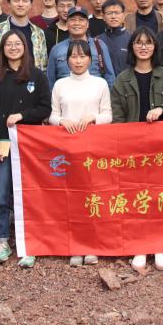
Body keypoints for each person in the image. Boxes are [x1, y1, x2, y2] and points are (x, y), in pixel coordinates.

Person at [110, 28, 163, 271]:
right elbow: (117, 118)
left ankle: (160, 245)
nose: (143, 47)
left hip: (161, 149)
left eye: (148, 43)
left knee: (159, 197)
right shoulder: (122, 79)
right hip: (132, 150)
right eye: (139, 42)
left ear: (155, 47)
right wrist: (125, 144)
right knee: (135, 198)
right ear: (132, 47)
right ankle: (139, 245)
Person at [0, 29, 51, 268]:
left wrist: (22, 115)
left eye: (17, 44)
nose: (13, 48)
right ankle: (2, 241)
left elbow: (45, 108)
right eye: (8, 44)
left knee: (30, 194)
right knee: (1, 194)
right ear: (2, 49)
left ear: (25, 47)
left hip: (30, 146)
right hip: (3, 145)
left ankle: (30, 243)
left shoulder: (37, 75)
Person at [49, 40, 112, 267]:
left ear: (90, 59)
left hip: (94, 150)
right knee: (72, 198)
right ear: (67, 60)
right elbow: (52, 115)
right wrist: (61, 121)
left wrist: (93, 118)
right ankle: (75, 245)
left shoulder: (100, 84)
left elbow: (108, 115)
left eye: (82, 56)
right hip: (67, 149)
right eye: (73, 57)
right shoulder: (60, 85)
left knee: (93, 197)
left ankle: (93, 244)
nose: (78, 61)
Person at [46, 7, 116, 88]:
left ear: (87, 24)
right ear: (67, 24)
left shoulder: (99, 46)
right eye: (72, 19)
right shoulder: (57, 49)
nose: (77, 23)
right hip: (66, 94)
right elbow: (50, 80)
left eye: (81, 19)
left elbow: (110, 76)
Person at [98, 0, 131, 74]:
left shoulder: (132, 39)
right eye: (109, 13)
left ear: (123, 15)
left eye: (117, 13)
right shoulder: (97, 40)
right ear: (103, 17)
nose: (113, 16)